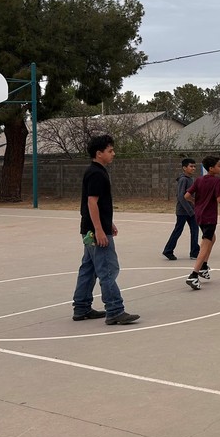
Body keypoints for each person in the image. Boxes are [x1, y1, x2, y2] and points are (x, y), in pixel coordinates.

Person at [71, 134, 140, 326]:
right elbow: (92, 202)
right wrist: (99, 230)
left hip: (90, 228)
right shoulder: (97, 173)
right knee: (108, 269)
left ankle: (81, 307)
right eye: (110, 151)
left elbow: (99, 204)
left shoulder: (96, 171)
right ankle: (115, 310)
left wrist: (108, 223)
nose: (113, 154)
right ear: (99, 153)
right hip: (94, 231)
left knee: (89, 268)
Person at [183, 155, 220, 289]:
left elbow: (187, 196)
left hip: (199, 215)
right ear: (211, 168)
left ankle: (204, 266)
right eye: (219, 165)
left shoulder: (199, 180)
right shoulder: (216, 180)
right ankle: (194, 275)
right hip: (209, 217)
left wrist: (196, 203)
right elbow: (219, 199)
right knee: (205, 244)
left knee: (212, 238)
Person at [162, 157, 200, 261]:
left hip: (191, 210)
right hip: (183, 211)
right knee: (178, 230)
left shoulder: (190, 179)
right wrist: (190, 211)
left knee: (195, 230)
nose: (193, 168)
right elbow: (181, 196)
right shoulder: (183, 179)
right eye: (191, 166)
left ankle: (194, 252)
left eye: (194, 166)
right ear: (184, 168)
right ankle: (168, 250)